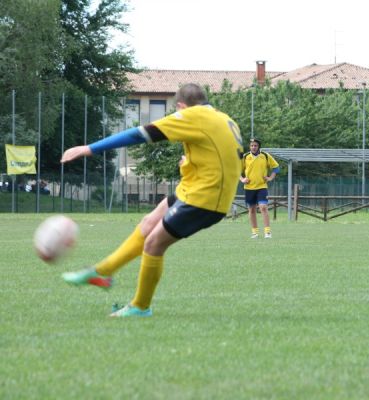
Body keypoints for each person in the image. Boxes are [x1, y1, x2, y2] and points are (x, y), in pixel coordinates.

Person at [60, 83, 244, 317]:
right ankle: (103, 272)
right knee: (149, 223)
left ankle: (140, 306)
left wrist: (89, 148)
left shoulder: (193, 116)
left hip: (205, 198)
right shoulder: (222, 118)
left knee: (154, 244)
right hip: (195, 188)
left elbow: (140, 134)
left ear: (180, 106)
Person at [240, 138, 280, 239]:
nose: (253, 147)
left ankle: (267, 232)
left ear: (259, 147)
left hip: (262, 187)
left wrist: (270, 177)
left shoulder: (265, 156)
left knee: (263, 207)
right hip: (249, 188)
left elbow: (276, 168)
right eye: (252, 145)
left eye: (255, 145)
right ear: (250, 147)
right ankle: (255, 233)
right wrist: (242, 179)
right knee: (252, 210)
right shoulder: (245, 157)